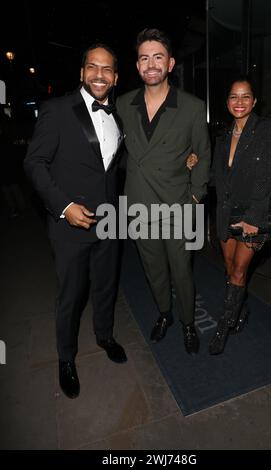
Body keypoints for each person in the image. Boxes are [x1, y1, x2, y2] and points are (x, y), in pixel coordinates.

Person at [24, 43, 127, 399]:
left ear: (115, 77)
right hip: (70, 225)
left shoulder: (117, 115)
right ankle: (66, 358)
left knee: (105, 286)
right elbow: (34, 163)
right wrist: (64, 205)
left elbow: (110, 168)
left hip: (110, 222)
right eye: (93, 68)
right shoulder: (56, 110)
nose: (100, 75)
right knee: (71, 295)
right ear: (82, 72)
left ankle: (105, 335)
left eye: (108, 69)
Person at [116, 28, 211, 355]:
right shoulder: (123, 104)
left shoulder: (192, 107)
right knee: (152, 268)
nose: (151, 64)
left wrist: (196, 196)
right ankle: (164, 314)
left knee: (181, 270)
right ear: (138, 65)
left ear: (170, 64)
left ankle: (187, 321)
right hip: (140, 205)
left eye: (158, 57)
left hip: (178, 206)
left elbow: (203, 153)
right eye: (144, 58)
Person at [208, 77, 271, 355]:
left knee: (238, 269)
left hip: (252, 214)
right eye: (234, 97)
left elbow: (266, 177)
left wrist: (254, 217)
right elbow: (216, 178)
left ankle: (224, 324)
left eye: (245, 96)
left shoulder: (266, 129)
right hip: (226, 214)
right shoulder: (223, 137)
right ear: (227, 103)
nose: (239, 102)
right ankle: (240, 308)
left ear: (254, 101)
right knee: (230, 267)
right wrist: (194, 164)